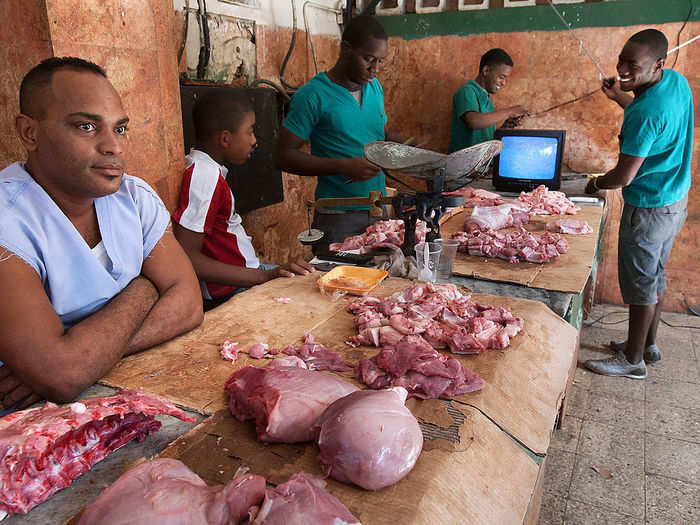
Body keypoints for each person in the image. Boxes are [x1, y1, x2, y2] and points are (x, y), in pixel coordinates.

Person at [0, 57, 204, 411]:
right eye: (86, 127)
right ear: (29, 133)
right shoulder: (9, 219)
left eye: (120, 128)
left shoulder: (134, 197)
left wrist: (88, 355)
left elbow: (189, 305)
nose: (114, 147)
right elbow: (62, 376)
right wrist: (147, 287)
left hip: (115, 394)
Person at [584, 29, 692, 379]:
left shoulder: (643, 115)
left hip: (646, 208)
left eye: (633, 66)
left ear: (658, 63)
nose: (623, 71)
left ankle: (632, 361)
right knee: (655, 277)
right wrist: (619, 96)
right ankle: (647, 344)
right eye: (621, 62)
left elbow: (624, 176)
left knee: (642, 284)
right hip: (674, 200)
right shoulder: (675, 82)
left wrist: (595, 183)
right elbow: (654, 122)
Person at [275, 15, 409, 248]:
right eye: (368, 59)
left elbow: (378, 134)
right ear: (346, 49)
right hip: (338, 217)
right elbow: (282, 156)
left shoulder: (374, 87)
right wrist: (342, 166)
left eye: (380, 61)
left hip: (378, 211)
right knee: (337, 280)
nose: (375, 69)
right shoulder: (313, 95)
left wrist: (407, 146)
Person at [172, 91, 313, 310]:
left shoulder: (209, 171)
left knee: (309, 282)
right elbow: (186, 256)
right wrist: (262, 277)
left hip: (247, 275)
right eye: (250, 131)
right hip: (232, 289)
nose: (254, 140)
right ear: (225, 138)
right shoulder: (204, 175)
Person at [449, 48, 528, 152]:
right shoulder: (467, 91)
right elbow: (474, 122)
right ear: (486, 70)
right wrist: (509, 111)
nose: (503, 83)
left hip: (480, 166)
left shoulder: (488, 101)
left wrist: (505, 127)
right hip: (463, 167)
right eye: (501, 77)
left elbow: (487, 139)